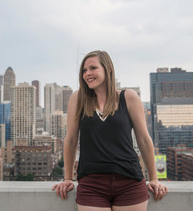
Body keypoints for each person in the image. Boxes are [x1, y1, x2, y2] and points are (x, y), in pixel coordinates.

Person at [52, 50, 168, 211]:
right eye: (84, 70)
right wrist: (67, 178)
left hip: (130, 181)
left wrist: (154, 178)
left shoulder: (129, 97)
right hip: (91, 183)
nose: (88, 74)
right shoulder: (78, 98)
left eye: (93, 68)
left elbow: (144, 140)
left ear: (108, 70)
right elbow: (71, 140)